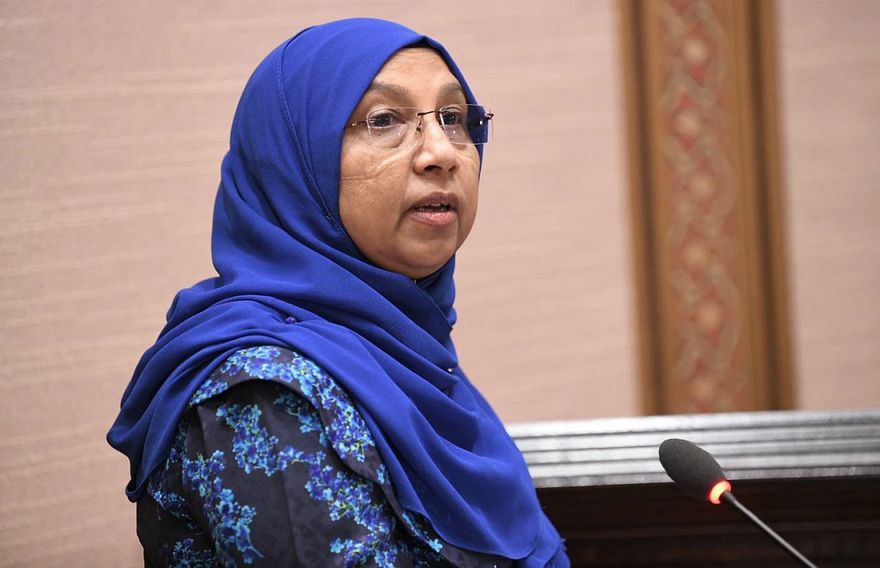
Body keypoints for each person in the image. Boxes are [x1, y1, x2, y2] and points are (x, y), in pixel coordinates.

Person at [108, 18, 569, 567]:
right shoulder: (264, 392)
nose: (441, 152)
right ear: (293, 162)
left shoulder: (414, 356)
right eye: (384, 120)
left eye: (453, 118)